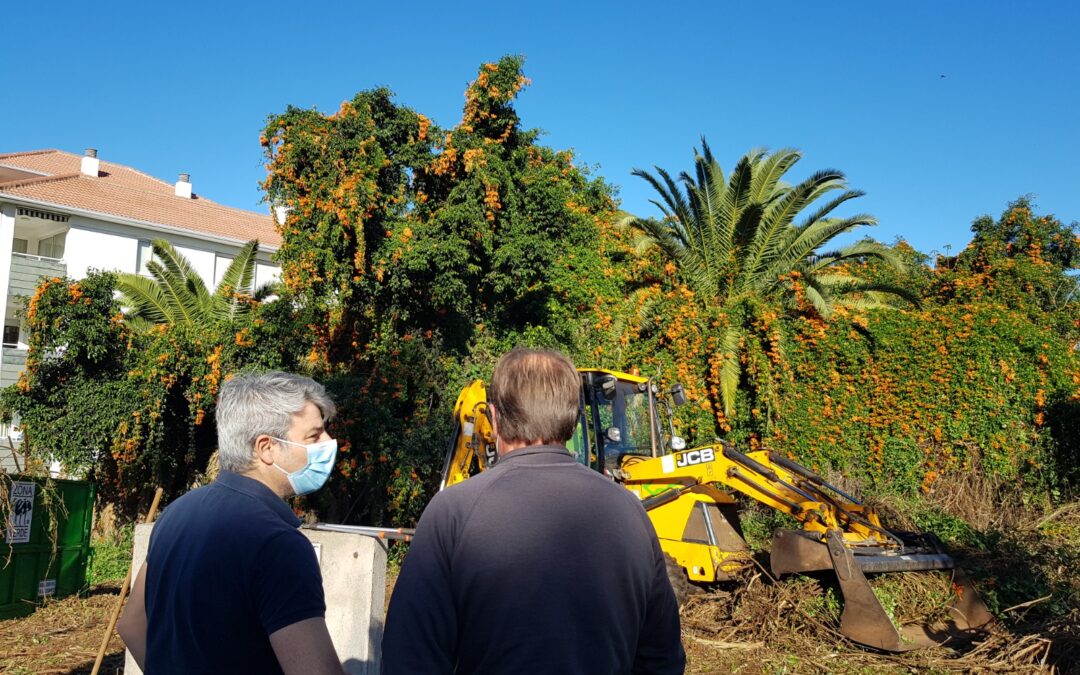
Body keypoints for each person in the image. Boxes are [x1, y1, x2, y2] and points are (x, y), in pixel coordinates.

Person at [382, 348, 686, 675]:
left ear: (495, 418)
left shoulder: (452, 513)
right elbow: (662, 660)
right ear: (573, 420)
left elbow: (409, 658)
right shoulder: (631, 514)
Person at [117, 372, 345, 675]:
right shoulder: (278, 543)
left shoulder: (175, 514)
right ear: (267, 448)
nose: (329, 443)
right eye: (313, 436)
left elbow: (132, 625)